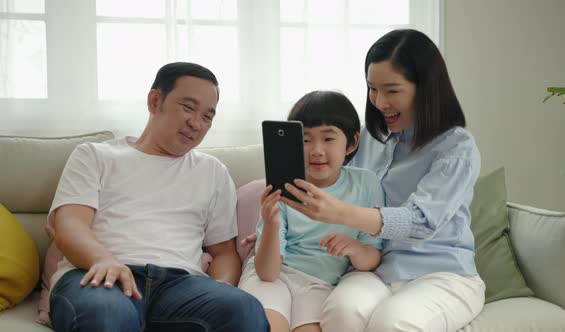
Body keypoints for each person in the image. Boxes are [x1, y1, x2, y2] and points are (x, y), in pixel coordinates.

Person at [281, 29, 486, 332]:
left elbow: (420, 222)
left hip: (441, 274)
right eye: (371, 89)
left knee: (391, 323)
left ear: (426, 88)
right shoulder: (368, 139)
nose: (379, 102)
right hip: (376, 269)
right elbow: (328, 180)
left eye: (392, 90)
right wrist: (274, 226)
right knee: (340, 311)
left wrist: (339, 211)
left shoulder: (456, 148)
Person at [48, 62, 269, 332]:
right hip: (100, 275)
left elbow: (223, 252)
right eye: (188, 107)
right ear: (155, 101)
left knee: (245, 310)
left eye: (208, 116)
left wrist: (219, 288)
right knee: (107, 316)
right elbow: (70, 225)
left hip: (181, 286)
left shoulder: (212, 171)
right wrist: (103, 260)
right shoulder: (94, 156)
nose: (196, 123)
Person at [239, 90, 384, 332]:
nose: (316, 150)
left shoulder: (366, 184)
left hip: (321, 285)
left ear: (352, 143)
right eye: (305, 140)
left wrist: (356, 248)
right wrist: (272, 225)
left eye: (328, 139)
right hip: (273, 279)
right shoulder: (283, 186)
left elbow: (372, 258)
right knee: (267, 326)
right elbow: (267, 272)